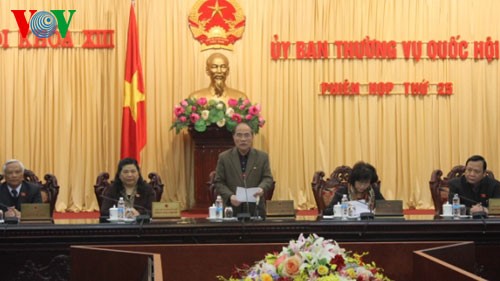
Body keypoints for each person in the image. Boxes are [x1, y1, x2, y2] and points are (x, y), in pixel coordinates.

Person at [214, 122, 274, 217]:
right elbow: (218, 182)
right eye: (239, 135)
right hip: (231, 210)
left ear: (252, 137)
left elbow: (268, 178)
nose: (243, 139)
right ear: (233, 137)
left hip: (256, 209)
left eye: (247, 135)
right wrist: (230, 196)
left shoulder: (262, 157)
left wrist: (261, 188)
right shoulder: (224, 157)